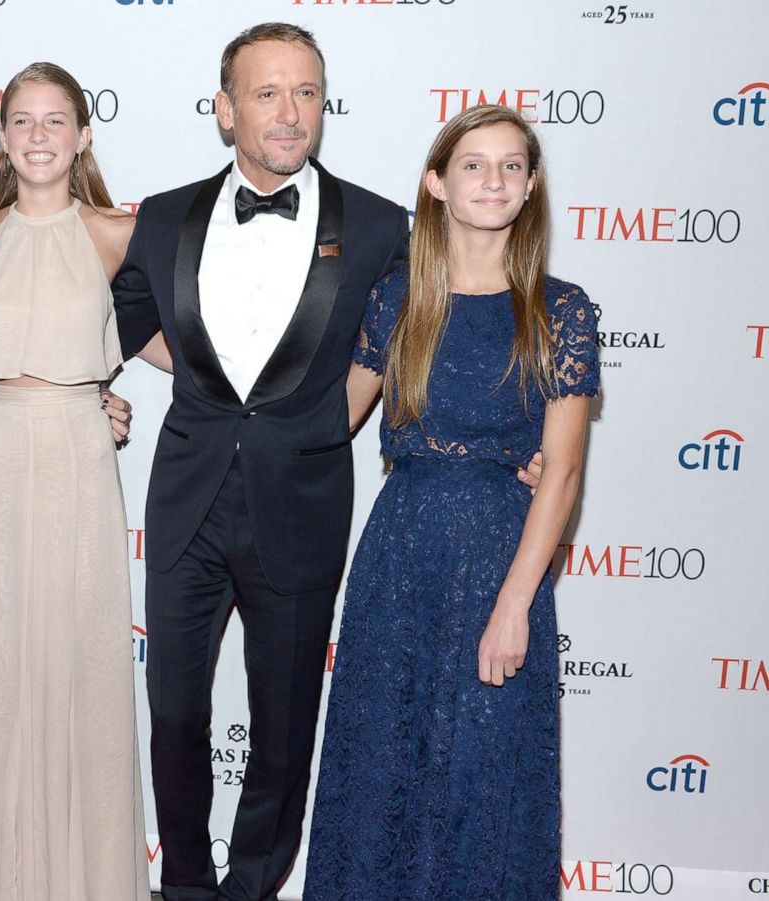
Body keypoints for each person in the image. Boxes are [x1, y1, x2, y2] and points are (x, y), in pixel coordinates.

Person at [108, 23, 409, 901]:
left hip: (304, 499)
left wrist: (325, 419)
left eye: (307, 92)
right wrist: (209, 379)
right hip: (188, 498)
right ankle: (189, 884)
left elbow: (414, 337)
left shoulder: (383, 225)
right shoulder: (162, 218)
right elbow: (123, 322)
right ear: (225, 109)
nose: (290, 112)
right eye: (268, 93)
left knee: (282, 723)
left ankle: (254, 886)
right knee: (173, 713)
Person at [304, 104, 598, 899]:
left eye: (511, 166)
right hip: (399, 556)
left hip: (502, 558)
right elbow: (332, 417)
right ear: (436, 182)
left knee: (484, 768)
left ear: (531, 186)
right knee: (383, 758)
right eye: (473, 164)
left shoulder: (560, 311)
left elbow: (563, 472)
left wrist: (514, 604)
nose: (493, 180)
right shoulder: (397, 300)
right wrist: (223, 406)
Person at [0, 61, 157, 901]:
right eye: (22, 121)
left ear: (83, 134)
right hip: (3, 455)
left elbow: (169, 331)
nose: (38, 135)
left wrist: (107, 396)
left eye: (55, 120)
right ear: (0, 136)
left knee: (83, 659)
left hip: (78, 451)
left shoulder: (116, 232)